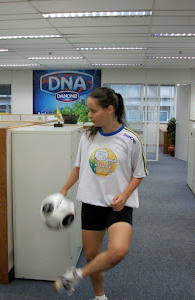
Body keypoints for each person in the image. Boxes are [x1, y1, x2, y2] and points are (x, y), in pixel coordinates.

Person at [54, 87, 148, 299]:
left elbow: (139, 174)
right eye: (89, 110)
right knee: (92, 255)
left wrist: (124, 195)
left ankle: (77, 275)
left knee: (118, 250)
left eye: (93, 111)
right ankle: (100, 296)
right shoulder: (87, 137)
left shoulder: (130, 139)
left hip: (119, 205)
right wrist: (64, 189)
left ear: (110, 109)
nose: (89, 115)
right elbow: (78, 167)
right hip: (91, 202)